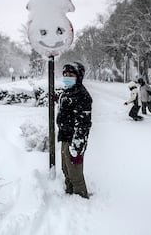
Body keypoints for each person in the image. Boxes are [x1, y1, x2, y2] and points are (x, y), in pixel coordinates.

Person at [56, 62, 92, 199]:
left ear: (79, 76)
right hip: (65, 136)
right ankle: (70, 193)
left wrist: (77, 147)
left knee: (75, 174)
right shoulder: (69, 91)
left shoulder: (82, 95)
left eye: (70, 75)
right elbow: (67, 106)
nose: (67, 77)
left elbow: (83, 124)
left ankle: (81, 198)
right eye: (65, 74)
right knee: (66, 170)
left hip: (74, 140)